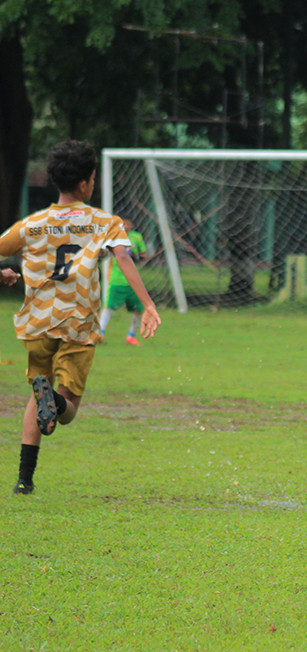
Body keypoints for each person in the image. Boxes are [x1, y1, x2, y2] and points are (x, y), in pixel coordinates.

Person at [1, 140, 161, 495]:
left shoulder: (31, 224)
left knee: (35, 390)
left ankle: (24, 480)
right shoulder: (105, 222)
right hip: (77, 324)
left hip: (37, 322)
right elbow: (123, 259)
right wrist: (148, 304)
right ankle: (54, 401)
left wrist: (3, 273)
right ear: (88, 182)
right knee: (67, 406)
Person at [98, 217, 148, 345]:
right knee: (108, 307)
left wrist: (135, 257)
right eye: (123, 223)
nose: (126, 225)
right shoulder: (112, 236)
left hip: (133, 281)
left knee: (139, 309)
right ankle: (100, 334)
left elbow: (143, 255)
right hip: (116, 280)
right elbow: (102, 254)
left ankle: (131, 336)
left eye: (128, 223)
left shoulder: (137, 237)